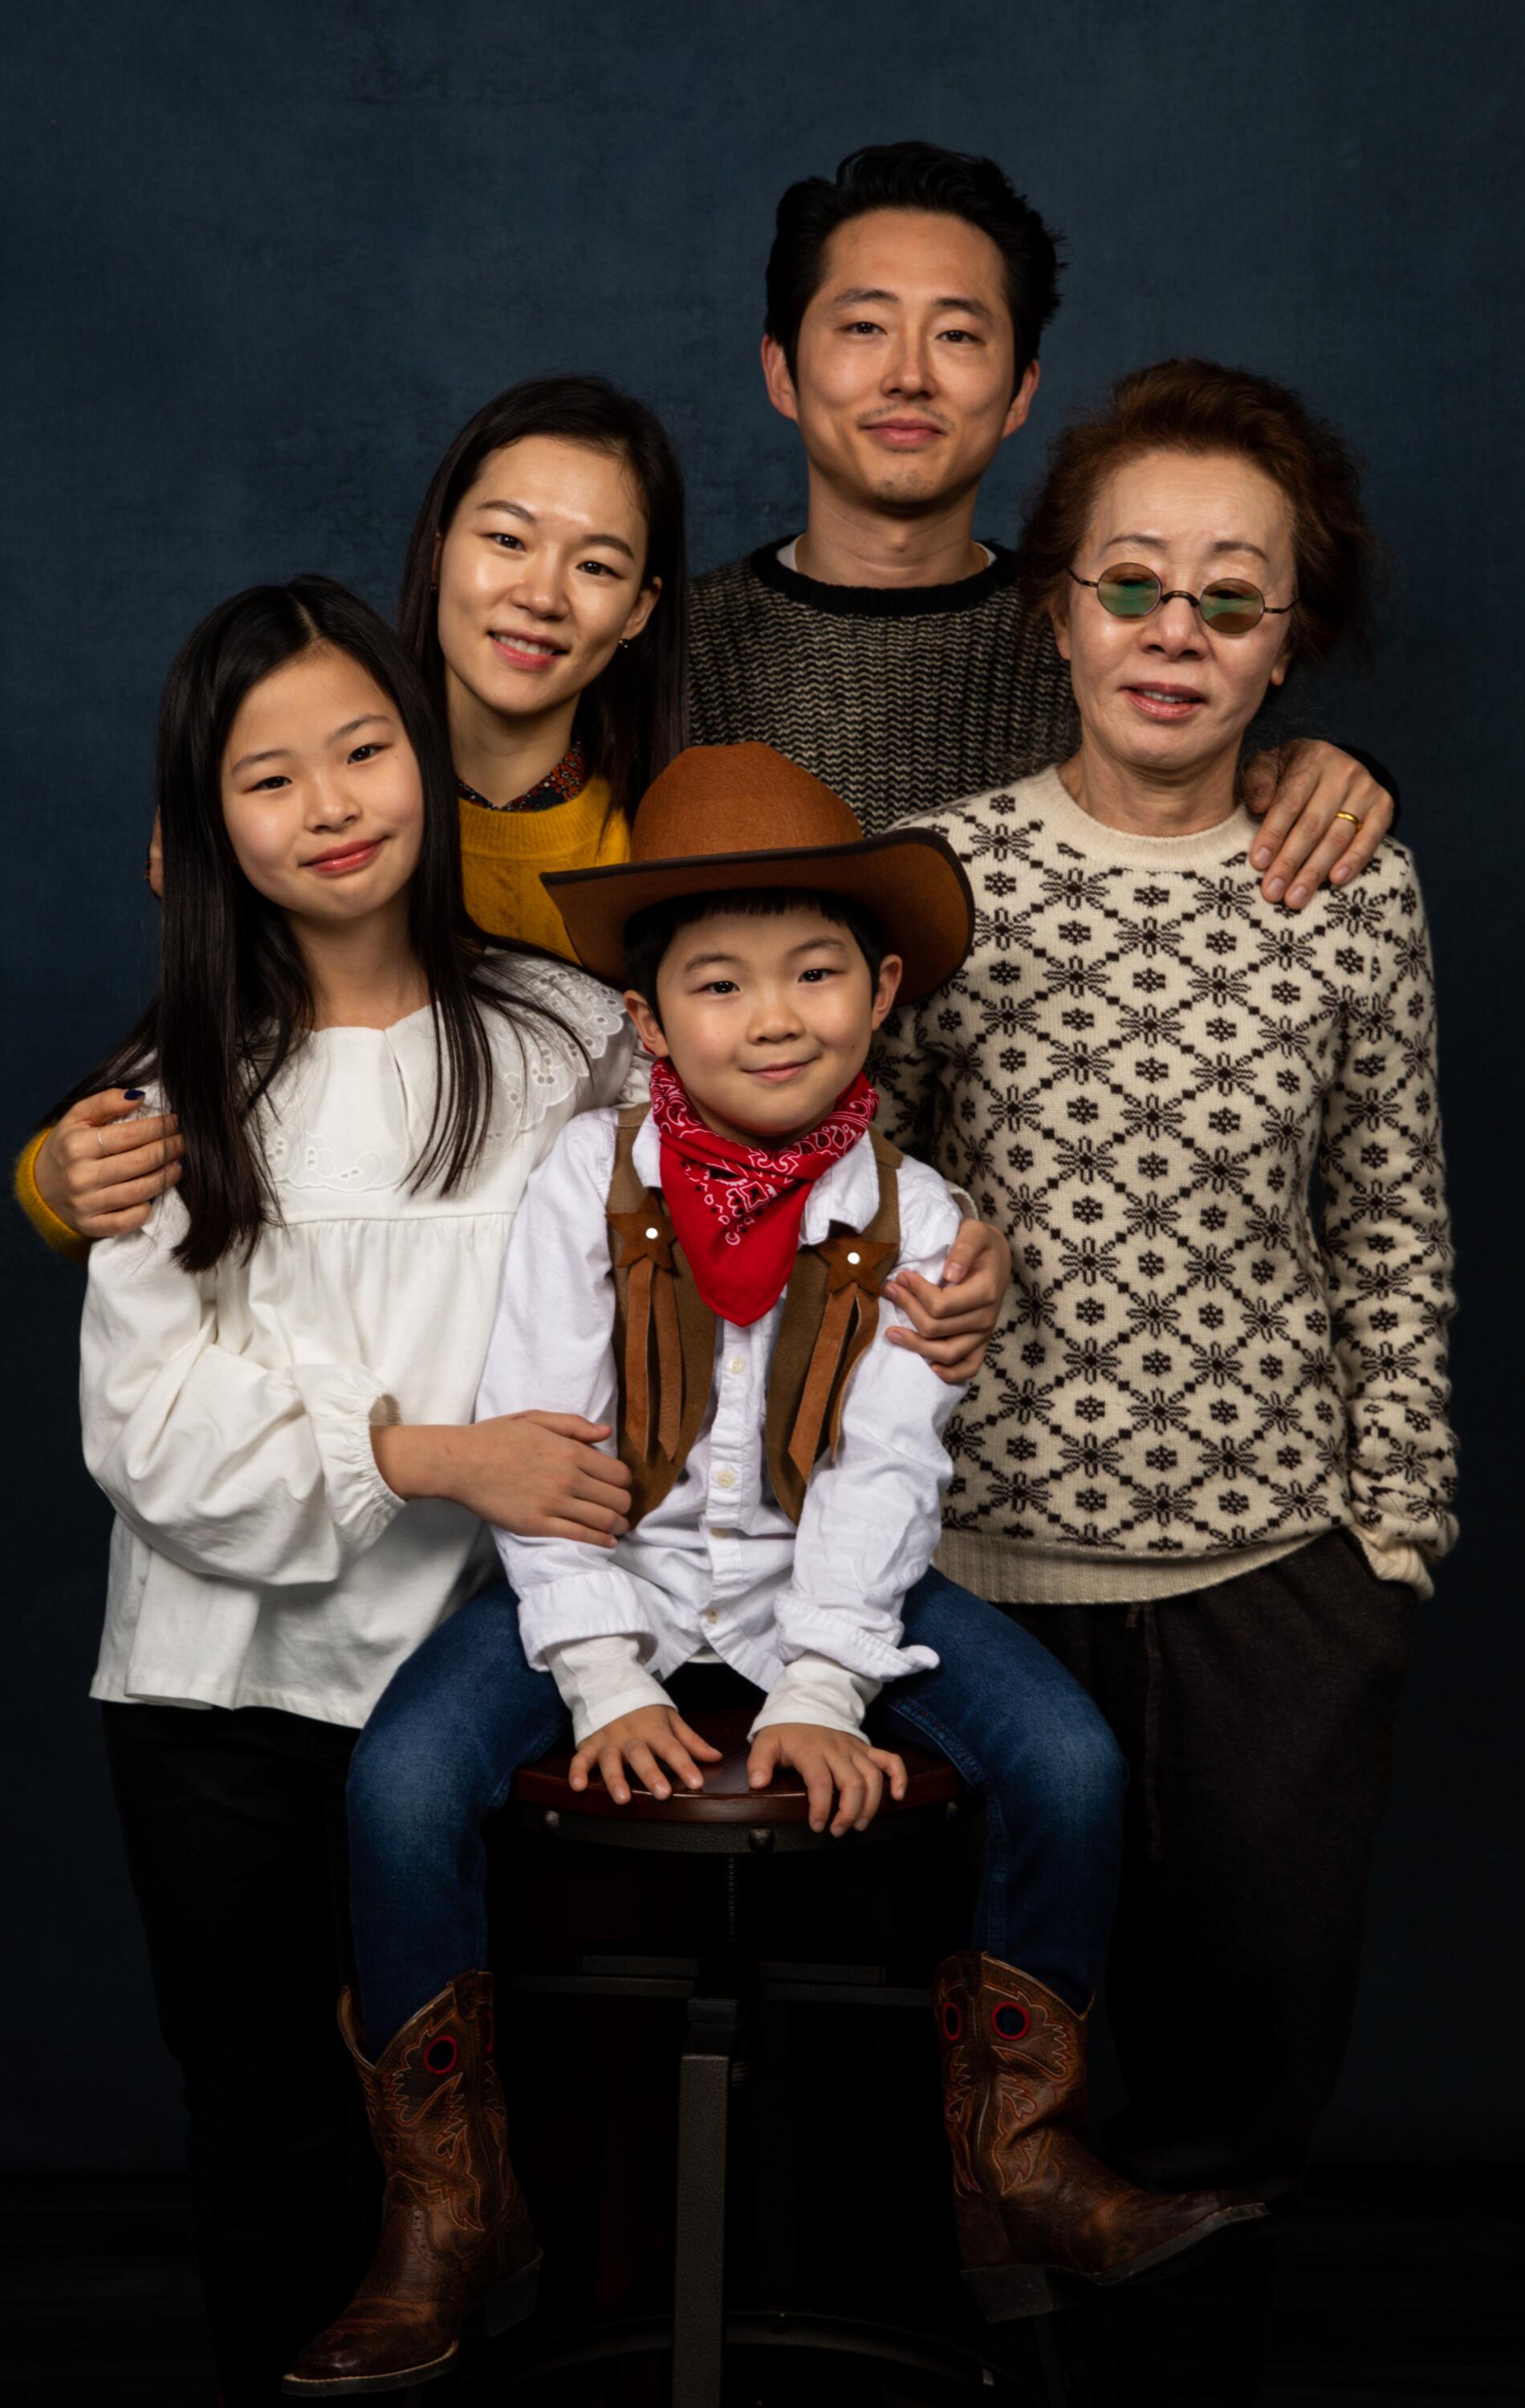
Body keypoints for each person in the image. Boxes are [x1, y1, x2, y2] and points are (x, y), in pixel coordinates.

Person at [286, 740, 1264, 2394]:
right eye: (720, 983)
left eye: (817, 972)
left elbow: (887, 1470)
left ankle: (1012, 2164)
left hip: (834, 1584)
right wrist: (596, 1678)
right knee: (398, 1785)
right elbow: (545, 1448)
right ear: (650, 1022)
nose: (776, 1014)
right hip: (608, 1574)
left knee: (1070, 1764)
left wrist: (822, 1686)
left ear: (881, 992)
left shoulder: (921, 1217)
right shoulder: (577, 1188)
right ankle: (449, 2212)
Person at [872, 360, 1458, 2235]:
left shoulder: (1350, 885)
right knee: (955, 2084)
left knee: (1231, 2092)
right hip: (964, 1578)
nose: (1172, 632)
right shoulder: (937, 877)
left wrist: (1388, 1543)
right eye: (1130, 582)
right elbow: (831, 1194)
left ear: (1284, 647)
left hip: (1267, 1585)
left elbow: (1386, 1223)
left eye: (1229, 597)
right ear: (1054, 602)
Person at [71, 576, 649, 2406]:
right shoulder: (169, 1093)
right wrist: (421, 1448)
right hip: (215, 1694)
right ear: (196, 838)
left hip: (486, 1672)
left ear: (427, 759)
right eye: (268, 777)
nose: (330, 804)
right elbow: (150, 1428)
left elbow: (682, 1290)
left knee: (486, 2123)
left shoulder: (569, 1042)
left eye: (364, 747)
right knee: (266, 2118)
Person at [24, 372, 1011, 1389]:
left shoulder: (669, 855)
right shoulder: (318, 823)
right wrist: (59, 1178)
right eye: (505, 538)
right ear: (439, 543)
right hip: (335, 1390)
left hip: (601, 1405)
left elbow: (788, 1095)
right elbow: (201, 1054)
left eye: (595, 564)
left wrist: (940, 1234)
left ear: (637, 610)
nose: (539, 594)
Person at [689, 139, 1398, 880]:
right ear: (781, 371)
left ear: (1021, 392)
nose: (908, 376)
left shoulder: (1108, 623)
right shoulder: (674, 647)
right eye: (865, 326)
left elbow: (1212, 794)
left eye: (957, 334)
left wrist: (1332, 779)